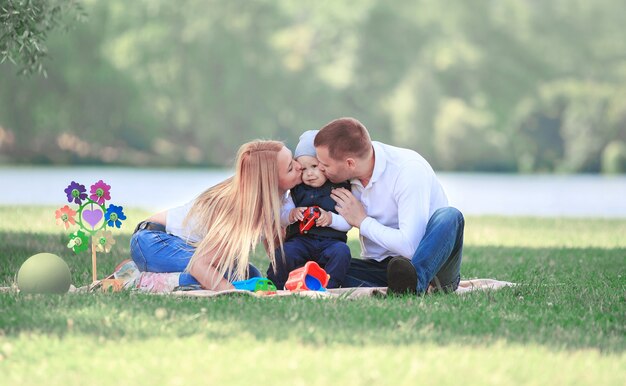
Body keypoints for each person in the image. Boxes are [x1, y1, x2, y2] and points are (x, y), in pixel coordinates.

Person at [313, 117, 464, 295]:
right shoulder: (344, 177)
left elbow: (410, 247)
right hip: (380, 268)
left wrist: (362, 221)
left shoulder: (408, 170)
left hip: (431, 265)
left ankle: (415, 285)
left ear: (350, 163)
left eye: (325, 165)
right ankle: (399, 287)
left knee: (450, 216)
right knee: (318, 267)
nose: (320, 169)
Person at [129, 140, 303, 291]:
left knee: (251, 275)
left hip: (184, 246)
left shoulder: (275, 203)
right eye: (290, 168)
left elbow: (276, 249)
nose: (299, 166)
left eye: (294, 160)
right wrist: (230, 291)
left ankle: (142, 269)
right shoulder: (239, 210)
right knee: (222, 278)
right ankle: (139, 281)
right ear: (269, 183)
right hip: (153, 241)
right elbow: (200, 264)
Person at [266, 130, 352, 289]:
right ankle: (275, 285)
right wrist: (291, 215)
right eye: (303, 169)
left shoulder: (339, 188)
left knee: (342, 252)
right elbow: (282, 217)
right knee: (285, 253)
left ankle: (329, 287)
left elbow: (348, 223)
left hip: (330, 243)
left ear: (326, 165)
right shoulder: (297, 190)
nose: (309, 174)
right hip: (301, 241)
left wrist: (331, 218)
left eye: (314, 166)